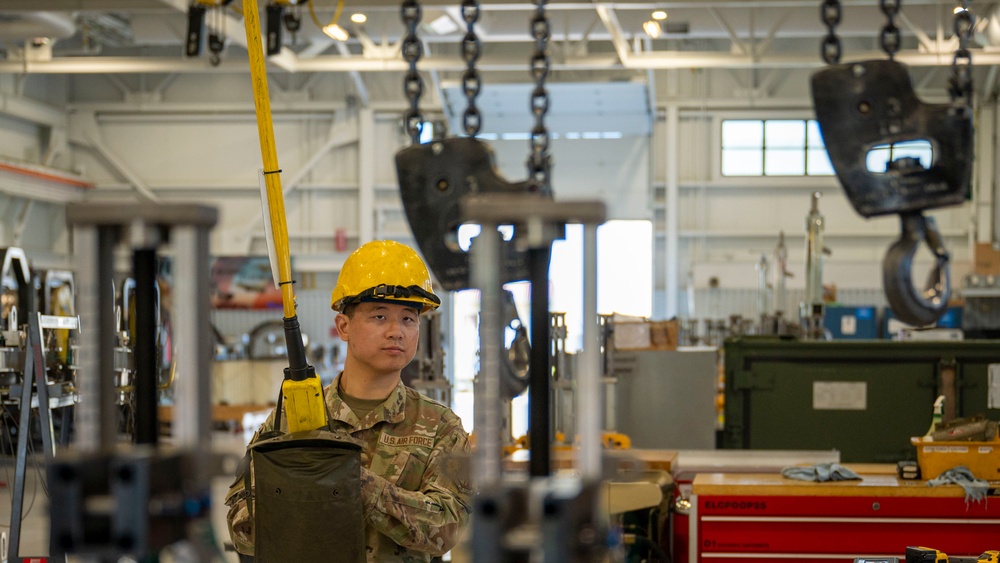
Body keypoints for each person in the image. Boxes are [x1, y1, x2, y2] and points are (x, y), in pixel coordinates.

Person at [225, 240, 473, 562]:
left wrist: (355, 483)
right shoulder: (291, 420)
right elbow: (240, 529)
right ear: (344, 326)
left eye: (408, 319)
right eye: (380, 316)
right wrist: (296, 489)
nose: (396, 331)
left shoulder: (441, 427)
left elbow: (449, 530)